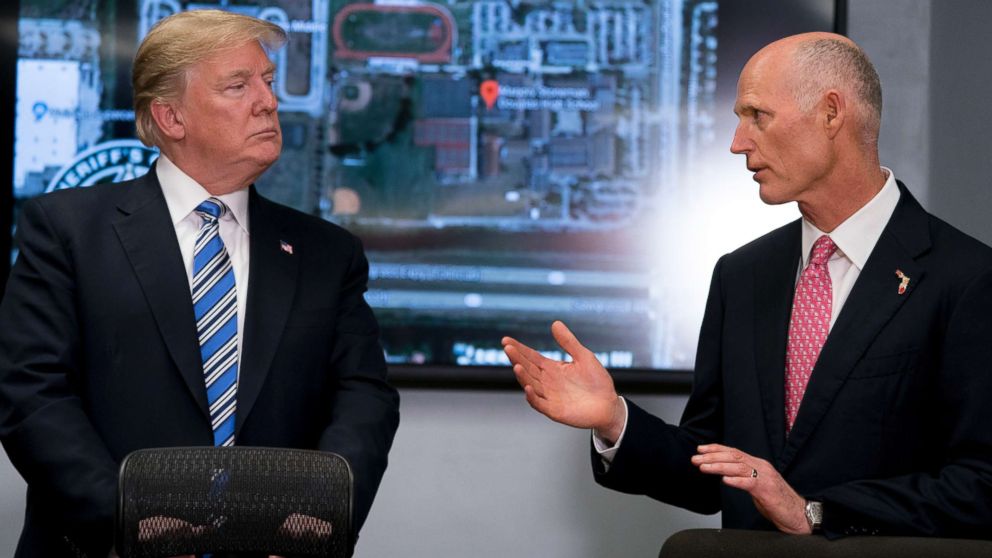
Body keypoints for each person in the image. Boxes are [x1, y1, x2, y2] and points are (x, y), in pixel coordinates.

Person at [503, 32, 992, 539]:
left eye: (757, 115)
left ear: (830, 114)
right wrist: (614, 421)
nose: (738, 143)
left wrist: (814, 512)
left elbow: (982, 486)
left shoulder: (966, 278)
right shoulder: (742, 275)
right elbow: (714, 471)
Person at [0, 10, 399, 558]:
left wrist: (322, 514)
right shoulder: (67, 232)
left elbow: (365, 397)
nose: (268, 101)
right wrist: (124, 517)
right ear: (170, 116)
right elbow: (31, 394)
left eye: (268, 81)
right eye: (239, 85)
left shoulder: (327, 253)